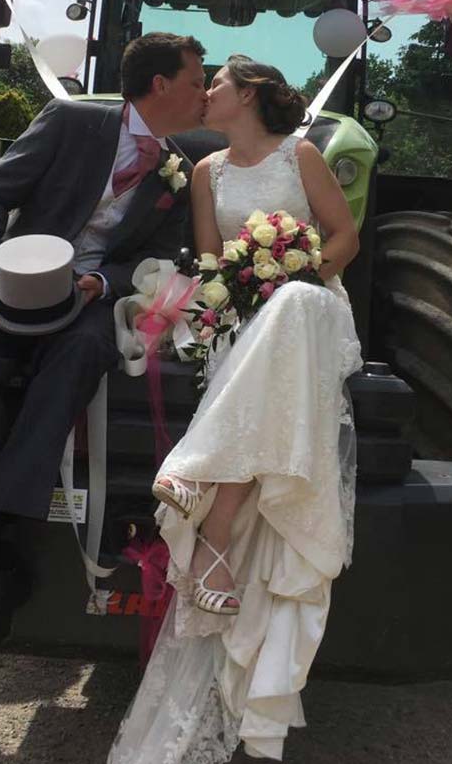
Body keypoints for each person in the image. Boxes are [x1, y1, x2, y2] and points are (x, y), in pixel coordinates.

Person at [108, 55, 363, 763]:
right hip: (243, 322)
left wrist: (299, 274)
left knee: (299, 305)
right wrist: (238, 298)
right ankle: (220, 528)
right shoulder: (205, 174)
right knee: (255, 331)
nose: (206, 91)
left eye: (215, 83)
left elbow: (345, 236)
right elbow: (215, 260)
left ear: (248, 93)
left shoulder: (302, 154)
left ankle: (204, 495)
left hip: (313, 313)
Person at [0, 32, 208, 661]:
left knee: (83, 354)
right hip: (9, 286)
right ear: (160, 84)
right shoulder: (72, 120)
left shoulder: (179, 170)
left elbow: (159, 254)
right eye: (196, 80)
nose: (203, 92)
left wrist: (103, 281)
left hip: (89, 301)